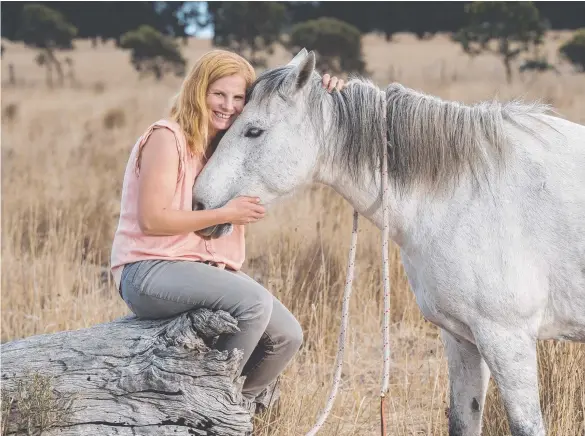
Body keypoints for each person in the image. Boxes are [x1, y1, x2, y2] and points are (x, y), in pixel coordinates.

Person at [110, 49, 345, 408]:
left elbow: (286, 120)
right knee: (252, 303)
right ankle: (208, 404)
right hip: (148, 270)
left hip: (202, 270)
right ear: (197, 91)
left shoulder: (228, 150)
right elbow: (152, 220)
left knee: (288, 335)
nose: (229, 105)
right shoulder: (167, 137)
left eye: (239, 98)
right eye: (219, 94)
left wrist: (322, 93)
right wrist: (225, 213)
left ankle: (234, 411)